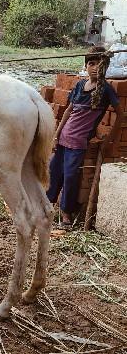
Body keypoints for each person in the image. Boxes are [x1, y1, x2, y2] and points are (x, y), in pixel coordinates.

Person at [47, 46, 123, 228]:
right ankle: (47, 206)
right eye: (91, 63)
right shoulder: (80, 85)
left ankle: (66, 214)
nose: (95, 67)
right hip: (64, 138)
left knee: (71, 176)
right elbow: (68, 112)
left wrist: (109, 140)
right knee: (54, 171)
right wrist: (56, 136)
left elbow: (120, 114)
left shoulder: (106, 89)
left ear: (105, 67)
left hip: (78, 143)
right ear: (86, 66)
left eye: (99, 64)